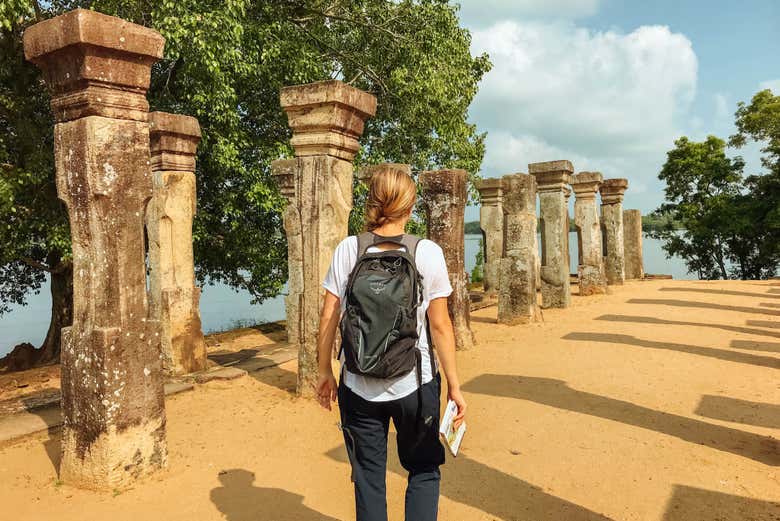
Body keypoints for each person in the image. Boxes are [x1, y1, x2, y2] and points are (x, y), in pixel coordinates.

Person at [314, 168, 466, 521]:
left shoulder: (348, 249)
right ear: (410, 207)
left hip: (358, 382)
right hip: (415, 383)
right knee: (424, 469)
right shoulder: (426, 252)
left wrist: (325, 371)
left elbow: (328, 317)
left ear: (371, 202)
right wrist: (455, 387)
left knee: (368, 477)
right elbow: (441, 326)